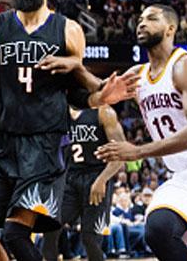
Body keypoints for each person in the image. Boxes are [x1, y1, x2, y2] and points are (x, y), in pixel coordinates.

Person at [0, 0, 137, 261]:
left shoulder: (68, 30)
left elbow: (75, 92)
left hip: (45, 146)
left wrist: (101, 96)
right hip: (3, 144)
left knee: (16, 235)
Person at [95, 4, 187, 261]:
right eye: (140, 18)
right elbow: (97, 90)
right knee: (158, 231)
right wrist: (76, 71)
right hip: (183, 173)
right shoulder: (137, 75)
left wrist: (138, 151)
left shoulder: (185, 67)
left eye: (152, 18)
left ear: (171, 29)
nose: (142, 23)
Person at [42, 105, 126, 261]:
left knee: (90, 238)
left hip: (98, 176)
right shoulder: (59, 114)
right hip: (70, 178)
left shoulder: (103, 113)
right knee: (50, 229)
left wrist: (102, 180)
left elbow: (121, 153)